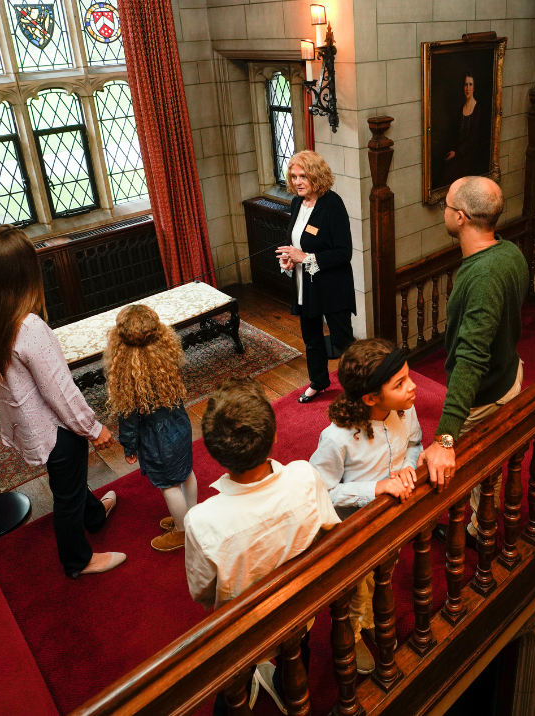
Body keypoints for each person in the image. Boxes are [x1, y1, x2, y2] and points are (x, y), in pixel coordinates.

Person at [0, 225, 124, 577]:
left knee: (69, 481)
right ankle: (78, 560)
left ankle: (94, 516)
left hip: (34, 428)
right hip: (57, 432)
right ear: (25, 272)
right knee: (66, 496)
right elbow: (60, 391)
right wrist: (92, 428)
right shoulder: (29, 327)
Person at [184, 378, 340, 713]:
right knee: (297, 650)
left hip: (241, 632)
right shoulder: (305, 476)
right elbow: (329, 530)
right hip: (299, 610)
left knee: (233, 683)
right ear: (275, 436)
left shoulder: (201, 520)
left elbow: (202, 592)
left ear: (213, 453)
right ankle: (288, 689)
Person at [419, 177, 527, 541]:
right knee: (490, 465)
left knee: (453, 466)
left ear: (461, 217)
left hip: (485, 394)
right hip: (509, 373)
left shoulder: (484, 275)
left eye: (446, 206)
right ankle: (483, 526)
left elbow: (470, 357)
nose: (443, 212)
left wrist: (446, 437)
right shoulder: (508, 251)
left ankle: (477, 533)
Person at [309, 339, 421, 673]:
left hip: (390, 519)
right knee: (356, 588)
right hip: (350, 531)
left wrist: (408, 467)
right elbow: (321, 492)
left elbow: (414, 442)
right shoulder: (337, 439)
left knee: (381, 576)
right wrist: (375, 488)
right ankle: (353, 635)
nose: (413, 387)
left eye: (408, 376)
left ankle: (371, 619)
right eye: (399, 383)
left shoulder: (405, 409)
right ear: (371, 398)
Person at [106, 304, 198, 553]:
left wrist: (129, 447)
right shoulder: (167, 355)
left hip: (157, 439)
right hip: (180, 425)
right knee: (186, 471)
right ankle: (193, 517)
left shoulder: (127, 373)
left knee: (168, 484)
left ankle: (182, 532)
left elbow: (128, 419)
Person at [275, 150, 356, 404]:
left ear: (317, 176)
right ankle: (318, 382)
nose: (298, 182)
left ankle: (360, 385)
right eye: (294, 176)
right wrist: (289, 260)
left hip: (332, 285)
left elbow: (343, 253)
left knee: (343, 342)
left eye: (304, 176)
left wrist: (306, 258)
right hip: (306, 285)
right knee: (312, 339)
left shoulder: (332, 204)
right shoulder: (296, 203)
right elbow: (297, 243)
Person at [441, 70, 488, 185]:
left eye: (470, 85)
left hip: (471, 156)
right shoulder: (460, 109)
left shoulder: (478, 110)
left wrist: (456, 153)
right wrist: (453, 150)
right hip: (459, 154)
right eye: (465, 84)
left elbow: (473, 140)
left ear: (474, 88)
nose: (467, 88)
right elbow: (456, 135)